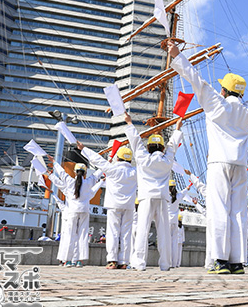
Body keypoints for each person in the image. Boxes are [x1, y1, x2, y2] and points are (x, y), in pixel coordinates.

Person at [168, 40, 248, 275]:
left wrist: (177, 56)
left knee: (219, 210)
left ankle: (219, 260)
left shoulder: (217, 103)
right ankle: (236, 262)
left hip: (219, 163)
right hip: (240, 165)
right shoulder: (247, 108)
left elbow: (196, 81)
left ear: (224, 90)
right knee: (238, 212)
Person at [125, 112, 183, 271]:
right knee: (163, 233)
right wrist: (177, 128)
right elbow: (173, 146)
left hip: (146, 198)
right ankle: (165, 264)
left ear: (149, 146)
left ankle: (139, 263)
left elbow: (135, 141)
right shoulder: (167, 159)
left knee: (142, 231)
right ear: (162, 147)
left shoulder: (143, 158)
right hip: (162, 198)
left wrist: (130, 123)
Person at [78, 141, 136, 270]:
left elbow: (97, 160)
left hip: (114, 204)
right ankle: (124, 261)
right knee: (126, 234)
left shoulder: (112, 169)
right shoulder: (135, 172)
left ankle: (112, 260)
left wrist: (84, 149)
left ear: (117, 158)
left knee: (113, 232)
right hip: (129, 205)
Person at [47, 157, 102, 268]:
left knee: (70, 235)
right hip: (84, 211)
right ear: (85, 172)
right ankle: (79, 261)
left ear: (74, 172)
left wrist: (53, 164)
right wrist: (106, 164)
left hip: (72, 211)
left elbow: (61, 174)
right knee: (82, 235)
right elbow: (97, 175)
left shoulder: (69, 181)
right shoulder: (88, 182)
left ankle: (67, 260)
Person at [184, 169, 213, 270]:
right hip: (220, 218)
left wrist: (191, 175)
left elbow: (200, 185)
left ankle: (210, 264)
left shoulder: (210, 192)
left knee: (211, 241)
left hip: (212, 218)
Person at [169, 180, 191, 268]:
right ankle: (174, 264)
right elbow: (184, 192)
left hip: (167, 221)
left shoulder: (166, 196)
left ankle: (168, 262)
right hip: (174, 221)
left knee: (168, 243)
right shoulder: (178, 196)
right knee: (174, 244)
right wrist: (188, 187)